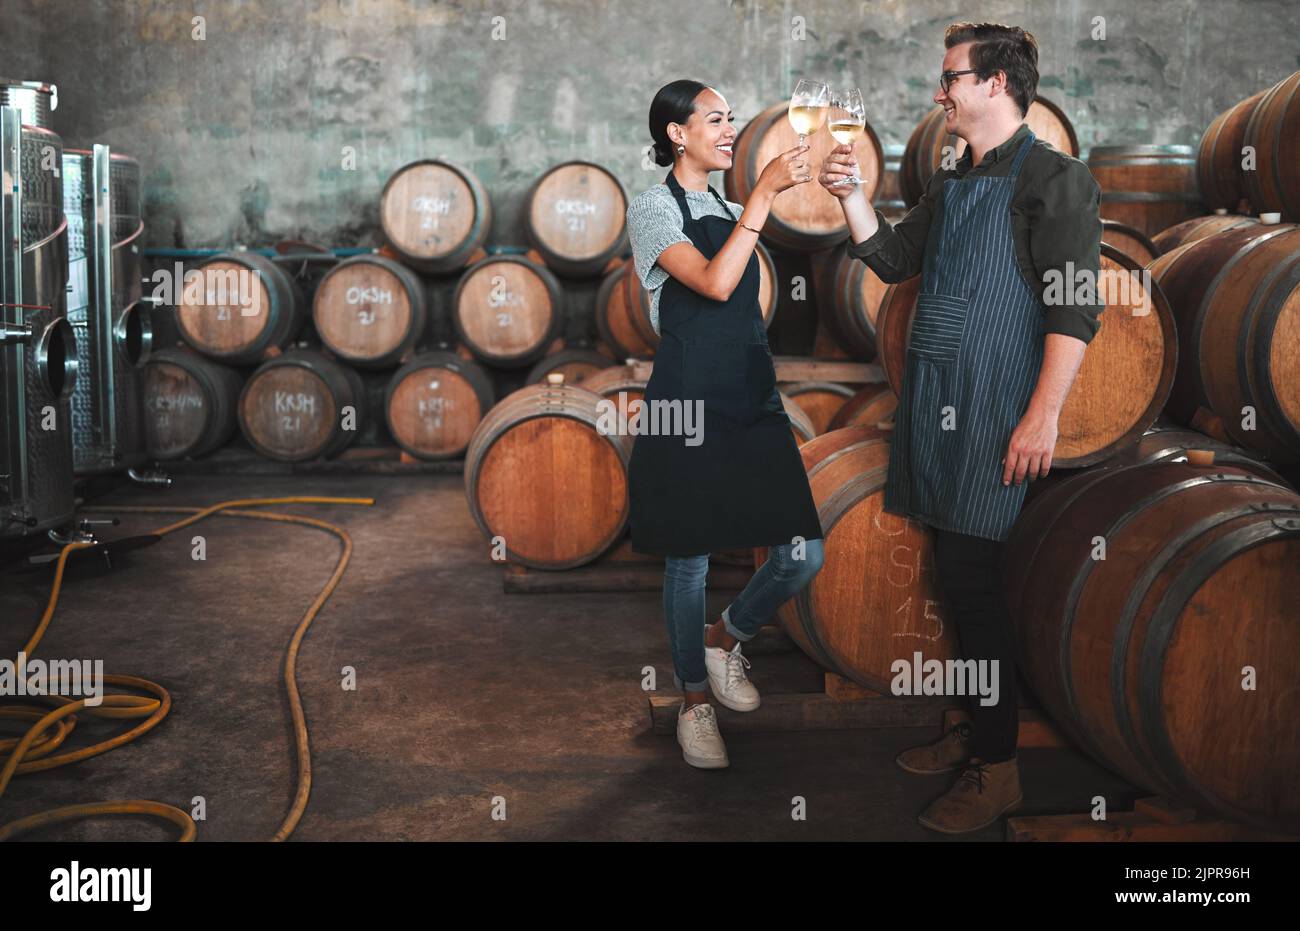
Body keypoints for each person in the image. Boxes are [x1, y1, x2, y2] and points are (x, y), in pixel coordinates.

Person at [818, 23, 1102, 832]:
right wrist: (850, 199)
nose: (940, 92)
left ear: (996, 84)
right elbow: (891, 259)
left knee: (976, 586)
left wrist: (1041, 414)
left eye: (951, 78)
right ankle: (978, 727)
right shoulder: (957, 178)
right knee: (953, 577)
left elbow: (1074, 305)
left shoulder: (1059, 178)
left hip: (996, 406)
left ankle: (998, 767)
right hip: (938, 400)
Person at [625, 80, 826, 770]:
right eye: (715, 120)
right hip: (688, 402)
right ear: (677, 134)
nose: (730, 129)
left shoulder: (734, 208)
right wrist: (764, 200)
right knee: (690, 556)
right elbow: (711, 283)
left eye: (731, 119)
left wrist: (830, 178)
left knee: (803, 552)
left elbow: (746, 292)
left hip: (750, 397)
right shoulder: (654, 208)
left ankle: (724, 636)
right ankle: (692, 701)